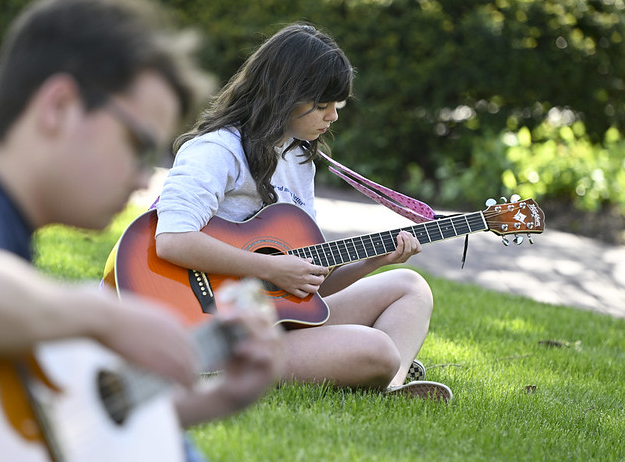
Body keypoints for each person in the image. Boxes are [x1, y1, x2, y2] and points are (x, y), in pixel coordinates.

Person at [0, 1, 310, 462]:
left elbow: (64, 426)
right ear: (59, 107)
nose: (144, 180)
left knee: (175, 460)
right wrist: (105, 316)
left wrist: (221, 396)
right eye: (137, 145)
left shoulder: (6, 244)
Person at [151, 23, 453, 402]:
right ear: (285, 95)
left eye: (336, 106)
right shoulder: (217, 150)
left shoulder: (298, 159)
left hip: (274, 319)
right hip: (209, 327)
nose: (333, 117)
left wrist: (370, 262)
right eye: (323, 105)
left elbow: (303, 286)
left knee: (410, 286)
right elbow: (172, 241)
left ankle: (392, 386)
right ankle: (212, 369)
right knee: (377, 349)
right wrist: (269, 268)